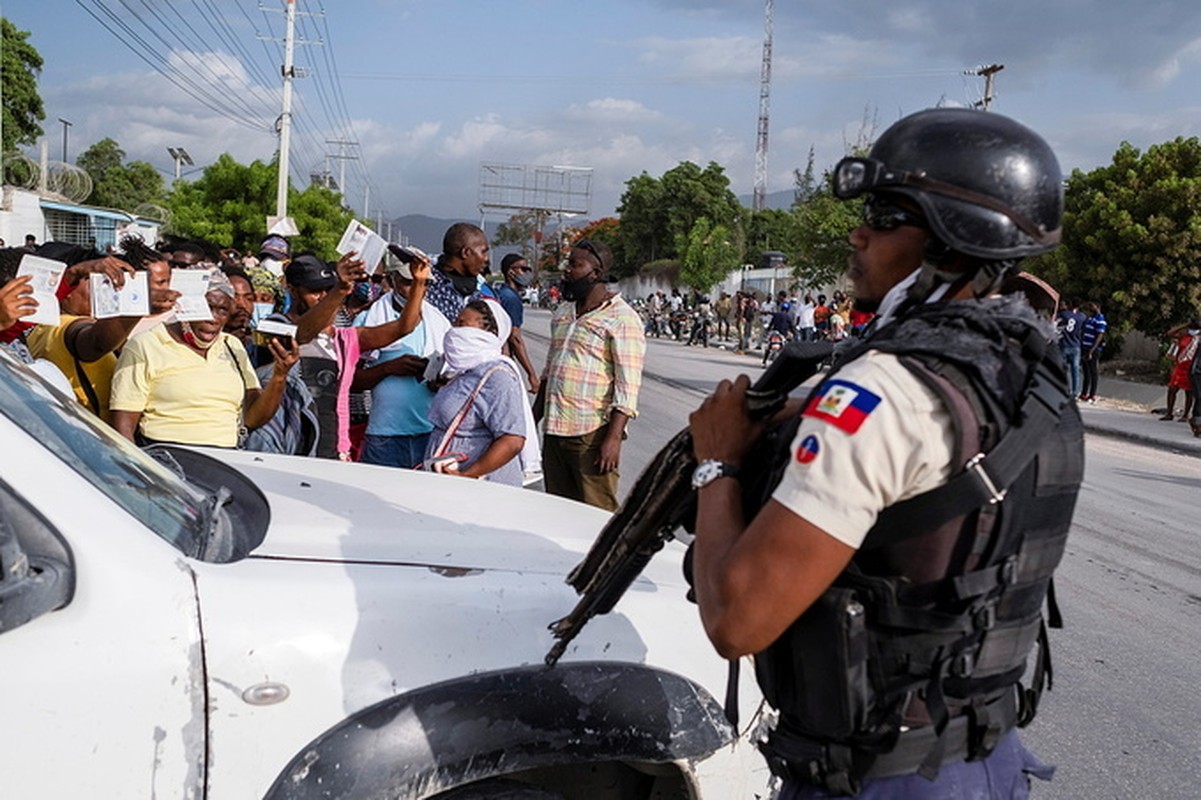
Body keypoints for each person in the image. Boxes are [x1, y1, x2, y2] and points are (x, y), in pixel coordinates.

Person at [687, 108, 1082, 798]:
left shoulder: (882, 389)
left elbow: (735, 620)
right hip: (983, 762)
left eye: (885, 215)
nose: (857, 232)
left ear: (954, 245)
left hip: (878, 777)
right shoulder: (1032, 369)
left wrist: (716, 461)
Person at [110, 269, 298, 447]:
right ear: (185, 308)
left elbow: (253, 418)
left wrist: (279, 376)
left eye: (222, 310)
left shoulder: (231, 346)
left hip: (225, 459)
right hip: (167, 456)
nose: (213, 319)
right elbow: (124, 425)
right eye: (206, 308)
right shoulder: (146, 344)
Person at [534, 239, 646, 511]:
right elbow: (549, 373)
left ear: (596, 273)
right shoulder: (563, 313)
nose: (567, 270)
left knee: (597, 515)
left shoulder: (622, 318)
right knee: (558, 511)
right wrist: (530, 420)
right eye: (568, 263)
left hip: (590, 436)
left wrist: (613, 439)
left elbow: (627, 387)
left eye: (575, 264)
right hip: (555, 432)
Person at [27, 246, 178, 422]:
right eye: (92, 280)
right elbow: (96, 342)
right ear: (67, 288)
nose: (104, 288)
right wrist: (138, 301)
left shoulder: (42, 325)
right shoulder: (62, 325)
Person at [423, 298, 538, 485]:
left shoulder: (497, 377)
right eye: (455, 322)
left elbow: (512, 440)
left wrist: (468, 476)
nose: (455, 330)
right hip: (451, 479)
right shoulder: (462, 370)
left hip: (481, 484)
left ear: (490, 333)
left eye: (462, 324)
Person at [353, 248, 450, 468]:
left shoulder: (438, 322)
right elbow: (351, 381)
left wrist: (440, 381)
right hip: (385, 436)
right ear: (392, 279)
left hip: (428, 433)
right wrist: (388, 368)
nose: (417, 289)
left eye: (423, 283)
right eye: (410, 282)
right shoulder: (369, 319)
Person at [425, 223, 496, 324]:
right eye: (483, 252)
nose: (486, 259)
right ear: (465, 253)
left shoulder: (477, 290)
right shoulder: (428, 288)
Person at [494, 253, 540, 393]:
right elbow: (515, 338)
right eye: (523, 269)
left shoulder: (501, 293)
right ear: (511, 271)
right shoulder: (511, 298)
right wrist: (531, 374)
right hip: (502, 359)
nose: (526, 273)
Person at [1160, 318, 1200, 421]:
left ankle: (1185, 415)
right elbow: (1170, 333)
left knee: (1189, 392)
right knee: (1172, 389)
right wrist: (1185, 324)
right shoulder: (1184, 335)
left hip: (1191, 368)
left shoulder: (1198, 338)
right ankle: (1169, 413)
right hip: (1179, 366)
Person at [1055, 297, 1086, 398]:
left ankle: (1063, 388)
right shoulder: (1082, 317)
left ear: (1069, 305)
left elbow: (1056, 323)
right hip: (1076, 345)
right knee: (1075, 370)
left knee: (1063, 369)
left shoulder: (1064, 315)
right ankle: (1075, 392)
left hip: (1064, 344)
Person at [1079, 301, 1107, 402]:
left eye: (1092, 306)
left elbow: (1099, 336)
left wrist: (1091, 351)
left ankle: (1092, 394)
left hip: (1093, 349)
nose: (1090, 308)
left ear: (1098, 307)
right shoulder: (1089, 319)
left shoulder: (1100, 320)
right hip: (1085, 347)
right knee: (1086, 372)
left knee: (1093, 372)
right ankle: (1083, 393)